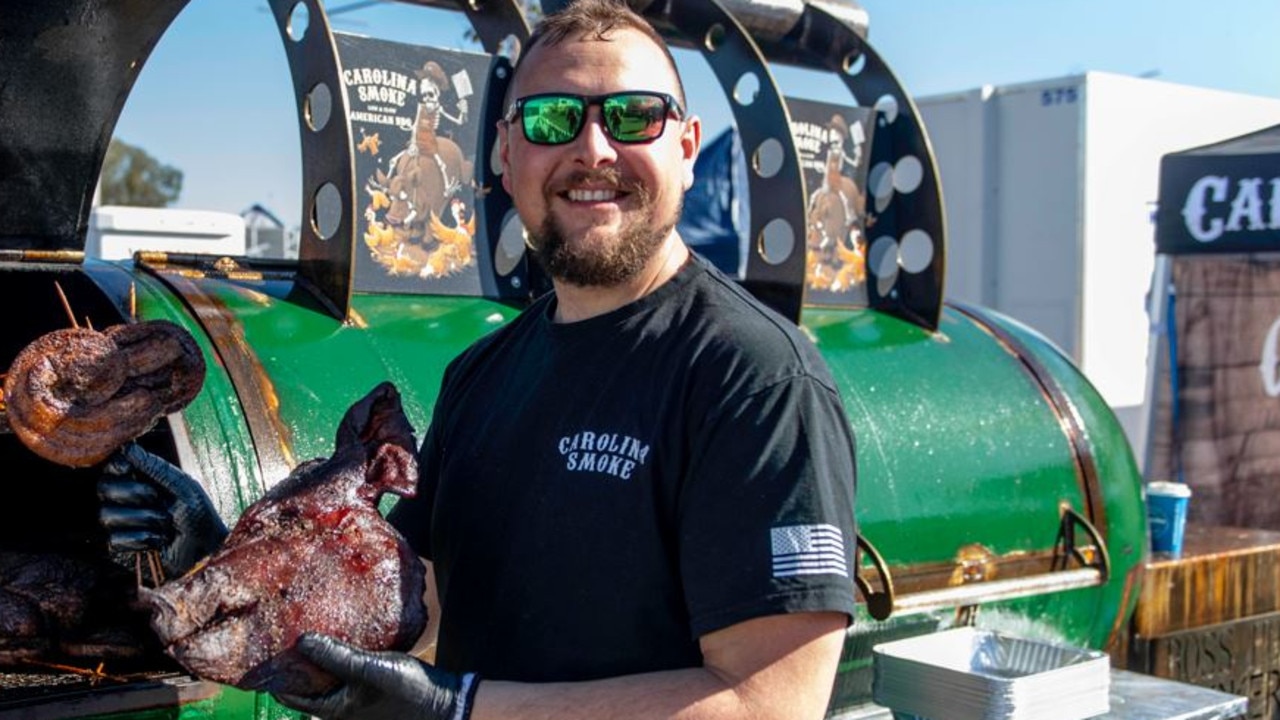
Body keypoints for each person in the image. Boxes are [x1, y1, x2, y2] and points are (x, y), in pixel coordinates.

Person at [98, 1, 858, 718]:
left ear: (686, 149)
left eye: (633, 116)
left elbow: (769, 702)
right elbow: (416, 606)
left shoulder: (754, 378)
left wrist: (461, 709)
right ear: (503, 151)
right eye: (553, 118)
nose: (592, 148)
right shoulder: (482, 375)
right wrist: (231, 565)